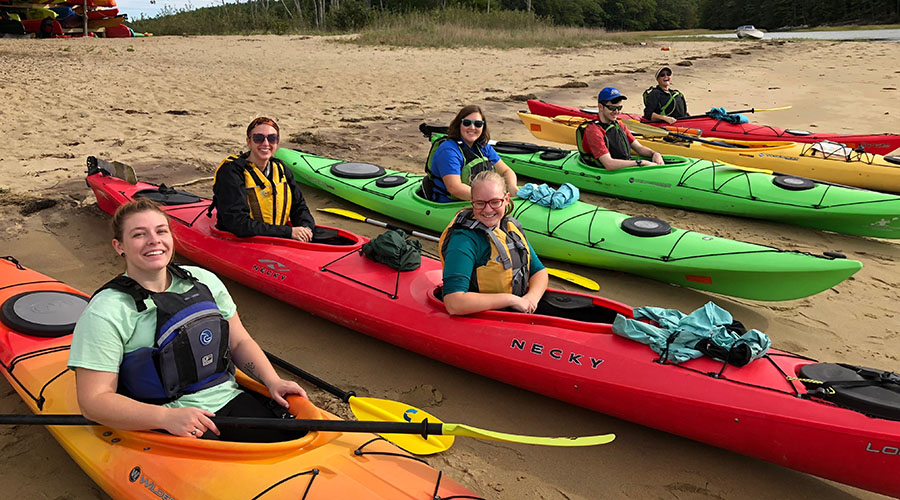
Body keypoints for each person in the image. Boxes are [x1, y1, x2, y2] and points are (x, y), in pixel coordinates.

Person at [68, 198, 309, 442]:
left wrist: (272, 380)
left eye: (161, 231)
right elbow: (94, 401)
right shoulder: (107, 310)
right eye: (139, 234)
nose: (154, 240)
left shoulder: (204, 280)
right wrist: (165, 418)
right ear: (119, 246)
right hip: (161, 421)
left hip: (227, 398)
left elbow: (238, 342)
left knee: (292, 440)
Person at [439, 170, 548, 316]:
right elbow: (454, 303)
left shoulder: (510, 228)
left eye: (495, 202)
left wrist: (531, 299)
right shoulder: (464, 241)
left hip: (515, 308)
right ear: (472, 203)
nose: (488, 209)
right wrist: (511, 300)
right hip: (479, 317)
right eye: (480, 203)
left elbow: (539, 272)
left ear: (507, 199)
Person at [213, 117, 315, 242]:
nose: (266, 143)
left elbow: (299, 207)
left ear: (277, 142)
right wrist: (288, 232)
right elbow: (238, 223)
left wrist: (306, 228)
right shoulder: (231, 173)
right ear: (249, 142)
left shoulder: (281, 169)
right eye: (258, 138)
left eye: (272, 138)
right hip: (237, 239)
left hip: (277, 237)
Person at [423, 105, 518, 203]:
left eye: (478, 124)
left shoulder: (483, 147)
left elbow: (506, 171)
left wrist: (513, 188)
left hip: (480, 200)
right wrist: (490, 198)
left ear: (483, 127)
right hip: (451, 203)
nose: (472, 128)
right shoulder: (448, 151)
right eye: (467, 123)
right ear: (459, 125)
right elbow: (455, 188)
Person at [576, 87, 665, 171]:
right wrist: (640, 163)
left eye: (619, 108)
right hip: (606, 171)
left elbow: (639, 148)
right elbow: (609, 164)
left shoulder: (619, 125)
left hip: (623, 166)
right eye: (612, 108)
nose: (616, 112)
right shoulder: (593, 131)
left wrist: (655, 153)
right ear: (600, 107)